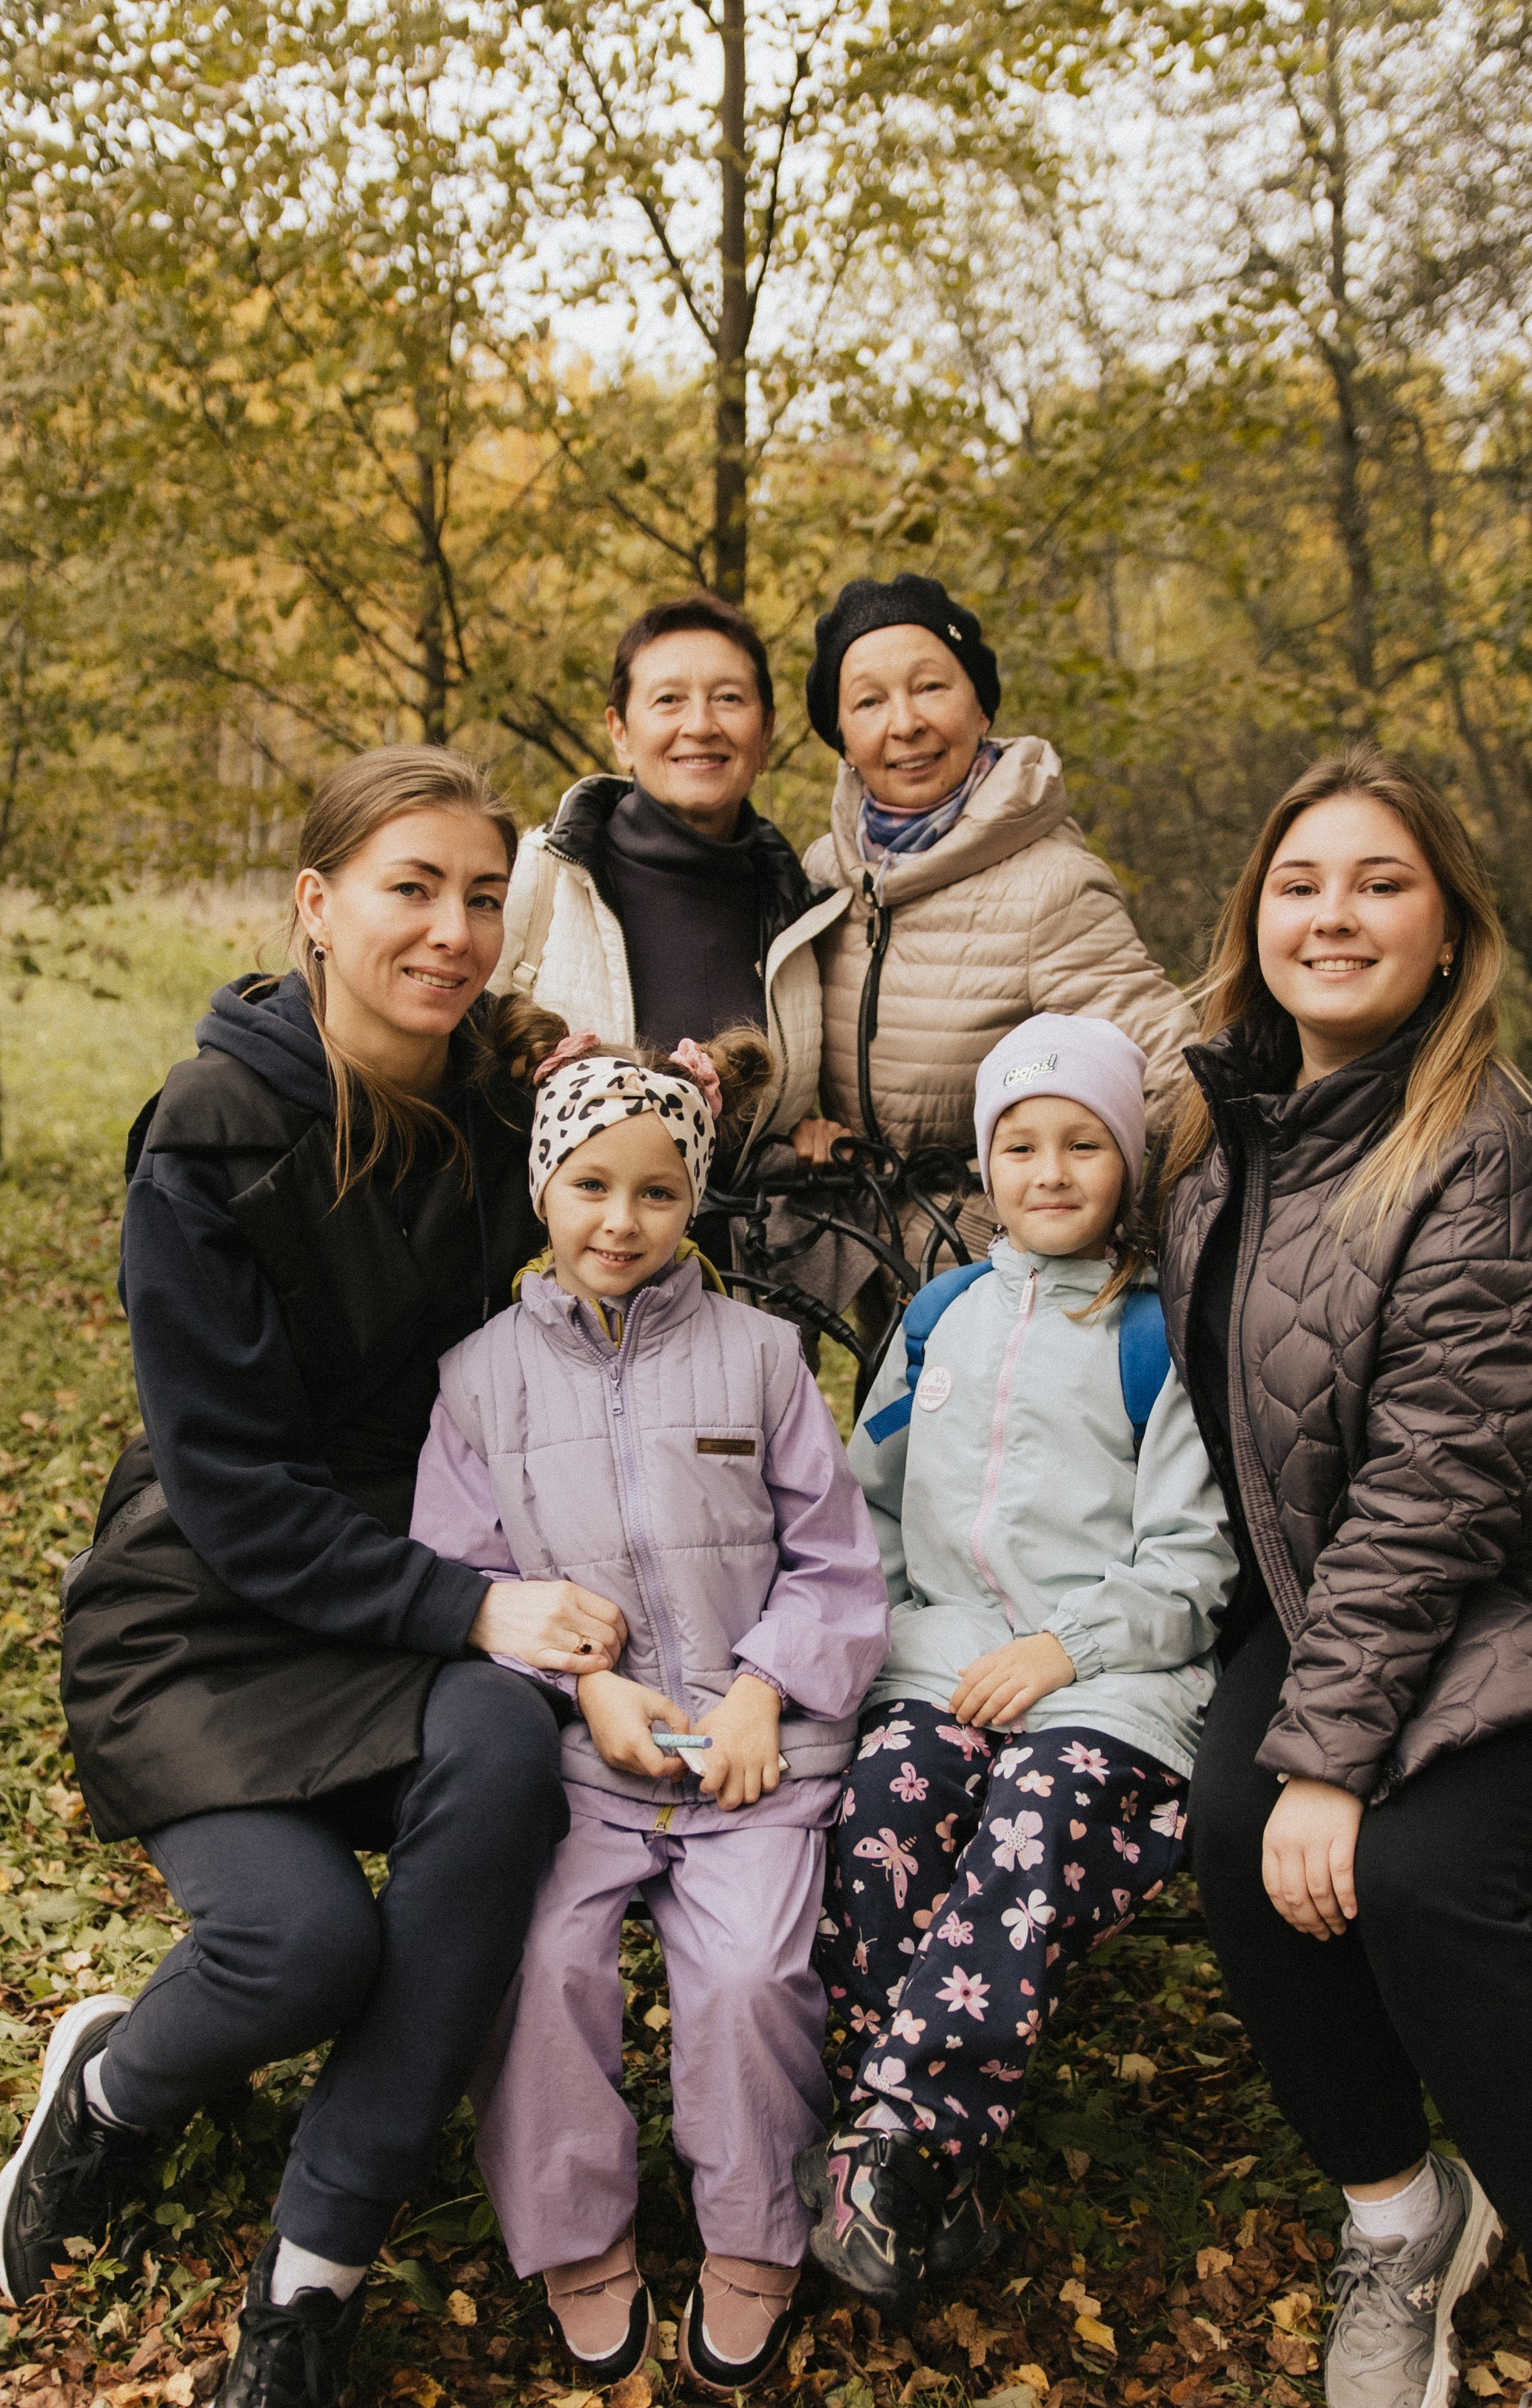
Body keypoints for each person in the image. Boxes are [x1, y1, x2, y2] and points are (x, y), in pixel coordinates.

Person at [1, 746, 615, 2408]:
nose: (449, 926)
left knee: (505, 1744)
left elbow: (632, 1194)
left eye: (481, 894)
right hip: (208, 1597)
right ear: (316, 905)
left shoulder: (506, 1105)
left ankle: (309, 2291)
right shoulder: (211, 1129)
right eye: (409, 885)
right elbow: (240, 1490)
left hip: (398, 1573)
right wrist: (474, 1603)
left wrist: (612, 1090)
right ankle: (120, 2081)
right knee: (303, 1943)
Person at [1163, 744, 1532, 2408]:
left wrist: (1333, 1749)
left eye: (1378, 881)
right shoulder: (1230, 1119)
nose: (1332, 912)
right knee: (1222, 1813)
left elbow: (1436, 1491)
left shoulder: (1487, 1152)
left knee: (1412, 1872)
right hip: (1370, 1605)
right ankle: (1401, 2208)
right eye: (1299, 878)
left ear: (1448, 924)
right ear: (1250, 913)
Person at [410, 1021, 889, 2392]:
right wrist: (584, 1686)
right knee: (540, 1961)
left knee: (748, 1974)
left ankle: (752, 2234)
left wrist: (762, 1691)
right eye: (589, 1186)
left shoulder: (757, 1360)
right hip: (584, 1757)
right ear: (543, 1189)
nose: (620, 1221)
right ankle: (574, 2231)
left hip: (752, 1757)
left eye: (657, 1191)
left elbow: (836, 1561)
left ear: (694, 1200)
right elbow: (465, 1574)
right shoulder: (478, 1378)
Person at [797, 1014, 1236, 2313]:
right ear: (985, 1165)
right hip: (941, 1657)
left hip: (1109, 1678)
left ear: (1126, 1162)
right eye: (1020, 1145)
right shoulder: (936, 1319)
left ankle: (899, 2143)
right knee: (881, 1806)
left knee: (1035, 1814)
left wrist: (1066, 1649)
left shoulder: (1153, 1336)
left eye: (1081, 1144)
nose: (1048, 1171)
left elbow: (1192, 1557)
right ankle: (936, 2172)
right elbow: (859, 1510)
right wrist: (876, 1643)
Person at [793, 573, 1196, 1202]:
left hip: (999, 1270)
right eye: (870, 702)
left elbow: (1174, 1080)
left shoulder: (1050, 886)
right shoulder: (825, 876)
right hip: (860, 1262)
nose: (906, 723)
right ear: (841, 739)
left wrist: (1093, 1219)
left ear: (980, 708)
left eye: (930, 687)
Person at [492, 594, 845, 1169]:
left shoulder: (804, 917)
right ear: (621, 732)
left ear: (766, 734)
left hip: (744, 1259)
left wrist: (803, 1141)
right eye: (669, 700)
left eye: (729, 699)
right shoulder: (536, 879)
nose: (701, 725)